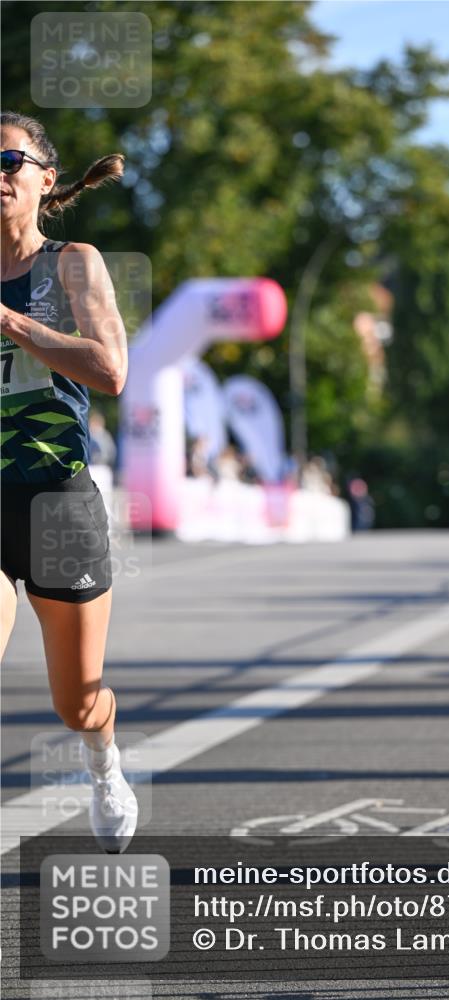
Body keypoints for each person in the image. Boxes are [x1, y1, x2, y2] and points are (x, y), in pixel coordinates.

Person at [0, 111, 137, 852]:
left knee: (76, 703)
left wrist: (10, 323)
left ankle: (103, 760)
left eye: (8, 161)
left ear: (45, 179)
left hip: (56, 502)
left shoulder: (71, 264)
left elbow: (110, 371)